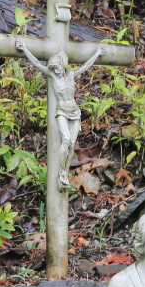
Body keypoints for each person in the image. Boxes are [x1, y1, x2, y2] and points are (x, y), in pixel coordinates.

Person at [13, 38, 103, 187]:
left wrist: (97, 53)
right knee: (65, 139)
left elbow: (86, 65)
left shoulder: (71, 74)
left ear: (62, 65)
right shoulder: (53, 76)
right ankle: (61, 171)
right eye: (54, 68)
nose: (56, 70)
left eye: (58, 67)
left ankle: (65, 172)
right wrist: (24, 49)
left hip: (74, 112)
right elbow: (36, 63)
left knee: (72, 144)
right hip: (62, 111)